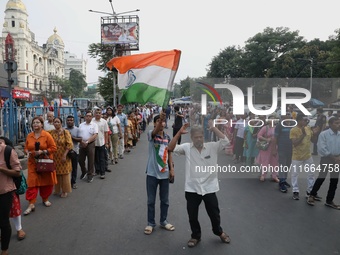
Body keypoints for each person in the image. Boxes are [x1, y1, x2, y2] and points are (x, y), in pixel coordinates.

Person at [168, 121, 231, 248]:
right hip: (192, 188)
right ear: (191, 138)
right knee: (192, 215)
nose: (198, 139)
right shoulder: (186, 147)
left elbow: (226, 141)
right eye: (196, 137)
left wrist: (213, 128)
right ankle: (195, 235)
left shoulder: (212, 147)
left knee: (214, 214)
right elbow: (171, 148)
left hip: (209, 188)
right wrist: (178, 133)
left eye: (200, 136)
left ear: (203, 136)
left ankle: (219, 231)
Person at [144, 112, 175, 235]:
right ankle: (150, 223)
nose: (161, 124)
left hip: (164, 173)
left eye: (162, 121)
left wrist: (172, 169)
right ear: (154, 123)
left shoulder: (167, 137)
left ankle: (164, 221)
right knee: (151, 200)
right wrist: (161, 118)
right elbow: (155, 131)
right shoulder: (151, 135)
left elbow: (170, 153)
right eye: (158, 121)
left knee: (165, 200)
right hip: (152, 173)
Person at [24, 116, 57, 215]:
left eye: (38, 122)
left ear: (42, 124)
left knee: (46, 182)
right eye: (34, 123)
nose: (35, 124)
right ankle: (31, 203)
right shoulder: (29, 136)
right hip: (32, 162)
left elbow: (53, 148)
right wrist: (27, 152)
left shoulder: (47, 135)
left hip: (44, 162)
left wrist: (43, 151)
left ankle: (45, 198)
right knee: (32, 182)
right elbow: (26, 147)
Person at [307, 117, 340, 209]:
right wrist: (334, 158)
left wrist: (338, 158)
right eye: (336, 123)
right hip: (327, 159)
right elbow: (322, 148)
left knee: (334, 180)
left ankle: (329, 200)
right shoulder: (324, 134)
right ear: (330, 124)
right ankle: (312, 195)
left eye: (339, 123)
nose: (339, 125)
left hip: (337, 159)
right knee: (321, 177)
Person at [0, 137, 26, 241]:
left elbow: (17, 172)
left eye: (2, 142)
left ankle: (19, 229)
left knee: (14, 208)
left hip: (9, 187)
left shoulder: (8, 152)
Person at [290, 114, 320, 200]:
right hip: (297, 156)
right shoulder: (293, 130)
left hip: (307, 155)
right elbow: (295, 144)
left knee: (311, 173)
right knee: (295, 174)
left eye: (307, 120)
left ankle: (310, 191)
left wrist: (314, 134)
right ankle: (295, 191)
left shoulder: (308, 128)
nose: (307, 121)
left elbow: (314, 141)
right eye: (305, 120)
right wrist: (302, 134)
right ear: (299, 120)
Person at [49, 117, 73, 198]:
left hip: (64, 155)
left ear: (61, 123)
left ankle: (64, 191)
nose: (56, 124)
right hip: (55, 156)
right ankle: (57, 189)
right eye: (54, 122)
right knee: (57, 173)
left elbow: (69, 144)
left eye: (58, 122)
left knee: (65, 173)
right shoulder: (51, 132)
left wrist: (64, 155)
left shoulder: (66, 132)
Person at [272, 115, 293, 193]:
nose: (288, 116)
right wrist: (274, 149)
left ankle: (284, 180)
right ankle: (282, 182)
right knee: (282, 165)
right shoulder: (279, 125)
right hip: (282, 148)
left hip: (291, 149)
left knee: (287, 165)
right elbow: (275, 138)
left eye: (289, 114)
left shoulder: (292, 124)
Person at [257, 115, 279, 182]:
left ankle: (274, 176)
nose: (272, 120)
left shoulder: (276, 128)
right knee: (265, 161)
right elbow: (259, 136)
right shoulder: (265, 128)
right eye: (271, 119)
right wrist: (266, 139)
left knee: (274, 162)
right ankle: (263, 175)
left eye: (274, 119)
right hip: (266, 147)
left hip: (274, 147)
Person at [78, 111, 98, 183]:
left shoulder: (94, 125)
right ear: (85, 117)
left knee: (90, 160)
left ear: (92, 117)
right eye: (87, 116)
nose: (88, 117)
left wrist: (87, 142)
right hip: (82, 143)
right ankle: (84, 171)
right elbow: (79, 134)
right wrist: (81, 142)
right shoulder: (81, 125)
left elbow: (95, 135)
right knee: (80, 159)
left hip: (90, 144)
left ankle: (90, 174)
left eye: (90, 116)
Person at [65, 116, 82, 189]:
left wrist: (70, 137)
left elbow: (80, 139)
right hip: (65, 151)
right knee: (65, 168)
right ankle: (66, 182)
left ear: (74, 121)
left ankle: (73, 182)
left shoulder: (77, 129)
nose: (69, 121)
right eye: (68, 120)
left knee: (74, 167)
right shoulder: (64, 129)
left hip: (75, 150)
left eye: (71, 120)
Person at [92, 108, 110, 179]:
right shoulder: (92, 121)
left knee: (102, 158)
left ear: (101, 114)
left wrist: (107, 142)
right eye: (96, 113)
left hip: (101, 142)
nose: (98, 114)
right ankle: (97, 170)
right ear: (94, 114)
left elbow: (106, 133)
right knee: (95, 158)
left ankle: (102, 173)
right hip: (93, 142)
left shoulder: (104, 122)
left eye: (99, 113)